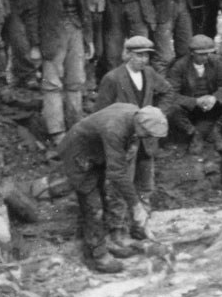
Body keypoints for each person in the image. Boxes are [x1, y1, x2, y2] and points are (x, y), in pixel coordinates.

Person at [58, 103, 167, 273]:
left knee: (101, 196)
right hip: (78, 155)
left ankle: (106, 242)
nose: (148, 139)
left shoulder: (134, 113)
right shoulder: (114, 129)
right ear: (140, 125)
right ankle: (98, 256)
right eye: (148, 134)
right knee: (93, 206)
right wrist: (136, 206)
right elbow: (117, 173)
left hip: (97, 153)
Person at [23, 0, 92, 145]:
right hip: (52, 34)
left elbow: (84, 8)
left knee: (76, 79)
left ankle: (76, 124)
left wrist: (88, 39)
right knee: (52, 83)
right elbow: (30, 11)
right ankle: (56, 131)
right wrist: (34, 44)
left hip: (75, 30)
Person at [94, 35, 175, 218]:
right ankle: (118, 229)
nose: (144, 60)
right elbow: (100, 112)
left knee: (146, 186)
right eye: (139, 55)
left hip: (146, 141)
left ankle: (142, 225)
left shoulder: (149, 73)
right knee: (121, 187)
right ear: (128, 54)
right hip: (124, 141)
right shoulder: (113, 78)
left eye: (147, 56)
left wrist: (158, 114)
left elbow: (168, 91)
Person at [167, 34, 222, 154]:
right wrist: (195, 102)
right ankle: (194, 134)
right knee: (172, 109)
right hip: (191, 110)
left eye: (208, 53)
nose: (206, 57)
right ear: (192, 53)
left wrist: (215, 97)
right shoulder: (179, 66)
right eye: (201, 54)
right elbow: (171, 94)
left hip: (212, 105)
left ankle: (217, 129)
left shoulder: (214, 62)